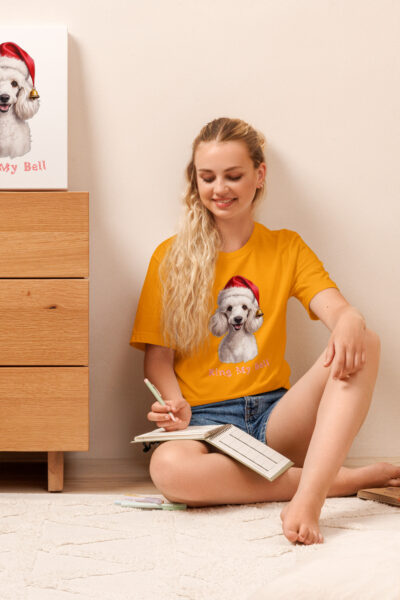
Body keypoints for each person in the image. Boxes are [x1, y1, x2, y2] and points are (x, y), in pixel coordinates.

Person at [130, 117, 400, 545]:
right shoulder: (169, 257)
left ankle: (308, 497)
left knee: (364, 339)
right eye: (208, 177)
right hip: (205, 426)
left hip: (276, 421)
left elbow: (335, 308)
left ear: (259, 175)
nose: (220, 188)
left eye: (233, 175)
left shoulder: (285, 247)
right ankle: (337, 480)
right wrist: (174, 404)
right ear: (195, 181)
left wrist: (349, 318)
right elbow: (158, 357)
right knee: (168, 470)